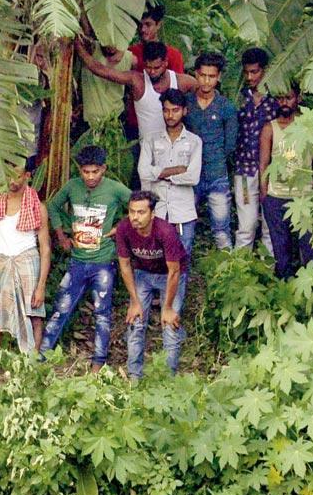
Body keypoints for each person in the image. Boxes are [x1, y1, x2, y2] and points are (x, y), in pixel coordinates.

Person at [40, 145, 132, 371]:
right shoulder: (72, 186)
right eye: (86, 172)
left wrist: (120, 226)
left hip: (103, 263)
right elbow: (52, 205)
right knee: (61, 308)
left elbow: (140, 206)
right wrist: (61, 234)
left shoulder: (115, 189)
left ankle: (98, 363)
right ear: (79, 170)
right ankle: (41, 358)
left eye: (95, 172)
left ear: (104, 169)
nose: (90, 177)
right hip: (77, 261)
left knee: (102, 313)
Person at [0, 156, 51, 382]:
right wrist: (5, 245)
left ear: (28, 176)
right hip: (4, 262)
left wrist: (41, 286)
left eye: (18, 175)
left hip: (29, 262)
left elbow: (45, 249)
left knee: (35, 316)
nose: (13, 181)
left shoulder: (38, 207)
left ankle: (30, 369)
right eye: (8, 175)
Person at [137, 88, 201, 311]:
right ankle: (153, 306)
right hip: (157, 211)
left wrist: (159, 173)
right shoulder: (151, 139)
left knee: (180, 263)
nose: (170, 115)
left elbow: (193, 176)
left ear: (184, 111)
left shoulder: (194, 142)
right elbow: (143, 173)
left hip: (182, 212)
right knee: (153, 260)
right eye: (166, 111)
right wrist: (174, 171)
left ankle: (173, 311)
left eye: (175, 110)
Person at [116, 191, 187, 380]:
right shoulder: (124, 228)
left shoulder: (165, 232)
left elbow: (174, 271)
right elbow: (124, 265)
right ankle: (134, 377)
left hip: (169, 275)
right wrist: (134, 301)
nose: (135, 217)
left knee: (169, 325)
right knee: (135, 322)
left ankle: (167, 378)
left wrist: (168, 307)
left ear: (152, 214)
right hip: (143, 273)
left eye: (141, 212)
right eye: (132, 212)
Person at [259, 83, 313, 280]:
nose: (284, 102)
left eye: (288, 97)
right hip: (276, 196)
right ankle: (285, 287)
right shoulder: (270, 128)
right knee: (281, 248)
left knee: (311, 246)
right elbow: (263, 164)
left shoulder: (309, 126)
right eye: (280, 98)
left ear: (298, 98)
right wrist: (264, 194)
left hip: (304, 197)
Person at [75, 39, 196, 140]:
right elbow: (100, 70)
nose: (152, 72)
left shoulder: (183, 82)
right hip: (146, 151)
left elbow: (205, 93)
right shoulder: (137, 80)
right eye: (148, 67)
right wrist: (78, 46)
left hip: (175, 149)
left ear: (165, 63)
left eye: (156, 68)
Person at [184, 52, 238, 250]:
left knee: (221, 230)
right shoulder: (186, 103)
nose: (206, 81)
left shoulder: (226, 107)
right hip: (189, 175)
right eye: (202, 75)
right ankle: (180, 273)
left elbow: (230, 145)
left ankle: (229, 274)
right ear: (196, 74)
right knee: (185, 228)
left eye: (212, 76)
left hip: (217, 176)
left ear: (219, 77)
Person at [233, 47, 279, 253]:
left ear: (265, 70)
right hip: (244, 172)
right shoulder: (239, 98)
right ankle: (240, 273)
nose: (250, 77)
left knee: (270, 226)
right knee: (246, 225)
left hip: (272, 172)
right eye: (246, 72)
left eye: (255, 72)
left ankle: (269, 273)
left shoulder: (277, 99)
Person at [128, 3, 186, 74]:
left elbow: (179, 83)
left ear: (158, 25)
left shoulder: (174, 55)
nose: (143, 29)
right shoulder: (130, 52)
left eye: (148, 24)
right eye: (140, 25)